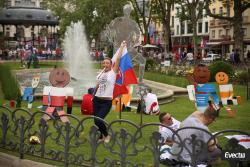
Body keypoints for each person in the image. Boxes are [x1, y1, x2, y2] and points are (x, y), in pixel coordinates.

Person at [93, 41, 127, 143]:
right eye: (104, 63)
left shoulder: (113, 73)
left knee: (99, 119)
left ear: (111, 65)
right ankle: (101, 136)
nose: (105, 64)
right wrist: (93, 94)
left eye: (107, 63)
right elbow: (98, 84)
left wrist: (121, 47)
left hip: (106, 102)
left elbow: (118, 59)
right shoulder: (101, 73)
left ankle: (107, 135)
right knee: (96, 120)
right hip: (96, 99)